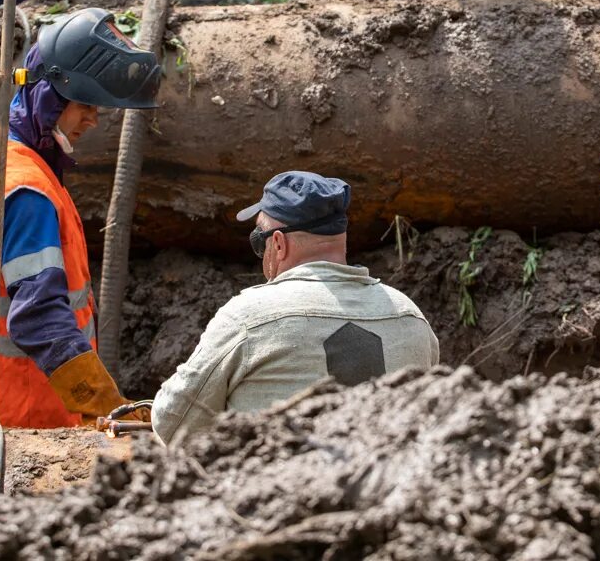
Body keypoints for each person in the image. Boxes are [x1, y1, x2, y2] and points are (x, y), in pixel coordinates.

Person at [0, 7, 164, 428]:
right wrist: (105, 404)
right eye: (84, 104)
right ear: (49, 96)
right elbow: (37, 315)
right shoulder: (27, 190)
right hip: (24, 418)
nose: (93, 120)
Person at [151, 171, 439, 446]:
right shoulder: (410, 316)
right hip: (391, 492)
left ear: (277, 243)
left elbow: (173, 423)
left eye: (258, 241)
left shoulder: (248, 317)